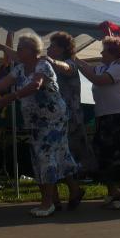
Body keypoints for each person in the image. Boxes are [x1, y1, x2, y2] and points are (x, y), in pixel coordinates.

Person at [0, 34, 80, 217]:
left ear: (32, 51)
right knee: (54, 155)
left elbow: (35, 85)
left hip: (52, 119)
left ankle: (48, 203)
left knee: (45, 157)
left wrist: (10, 97)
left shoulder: (43, 65)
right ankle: (68, 193)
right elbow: (2, 83)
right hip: (35, 120)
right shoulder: (20, 68)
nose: (18, 51)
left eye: (21, 48)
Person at [75, 36, 120, 209]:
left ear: (113, 53)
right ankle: (113, 192)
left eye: (104, 50)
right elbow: (90, 68)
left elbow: (99, 80)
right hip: (104, 116)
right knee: (104, 155)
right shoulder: (102, 67)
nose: (101, 53)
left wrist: (77, 63)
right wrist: (75, 59)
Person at [45, 32, 97, 178]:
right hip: (58, 115)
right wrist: (5, 49)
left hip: (71, 116)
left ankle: (87, 175)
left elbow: (67, 68)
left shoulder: (70, 63)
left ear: (62, 49)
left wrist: (53, 62)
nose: (48, 48)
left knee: (77, 149)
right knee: (64, 149)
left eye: (52, 46)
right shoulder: (50, 66)